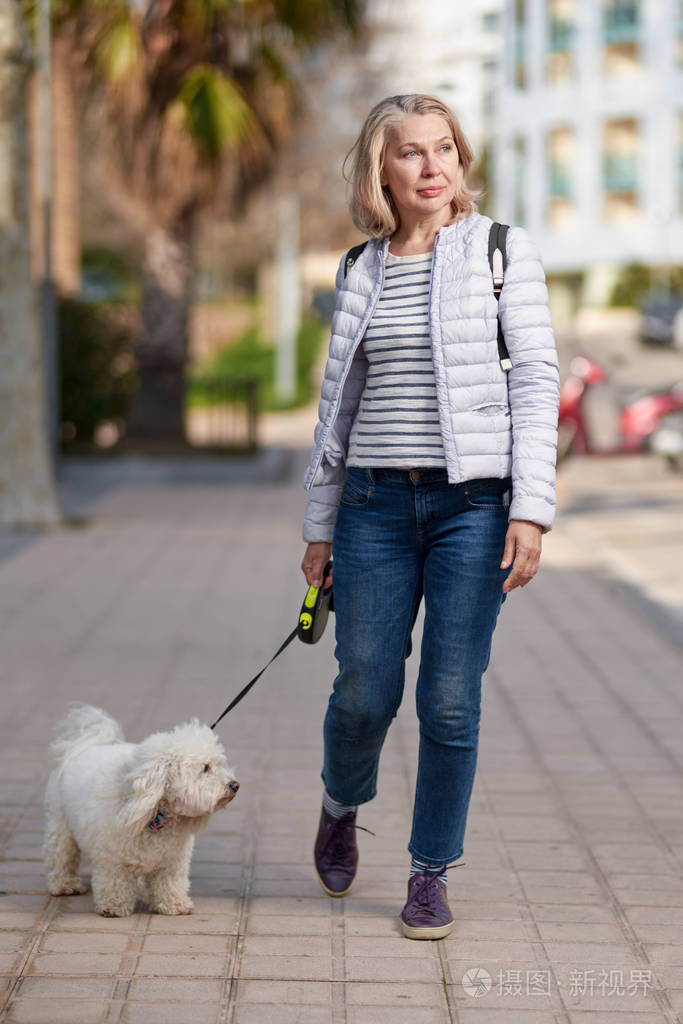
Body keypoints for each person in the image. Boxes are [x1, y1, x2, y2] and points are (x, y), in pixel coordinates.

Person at [300, 93, 560, 940]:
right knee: (364, 692)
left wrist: (531, 510)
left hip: (472, 509)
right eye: (408, 152)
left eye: (442, 147)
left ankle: (427, 871)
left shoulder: (498, 252)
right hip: (371, 507)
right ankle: (341, 803)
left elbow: (534, 381)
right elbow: (336, 407)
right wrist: (319, 523)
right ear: (381, 169)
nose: (430, 166)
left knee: (449, 700)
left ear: (461, 158)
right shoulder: (358, 268)